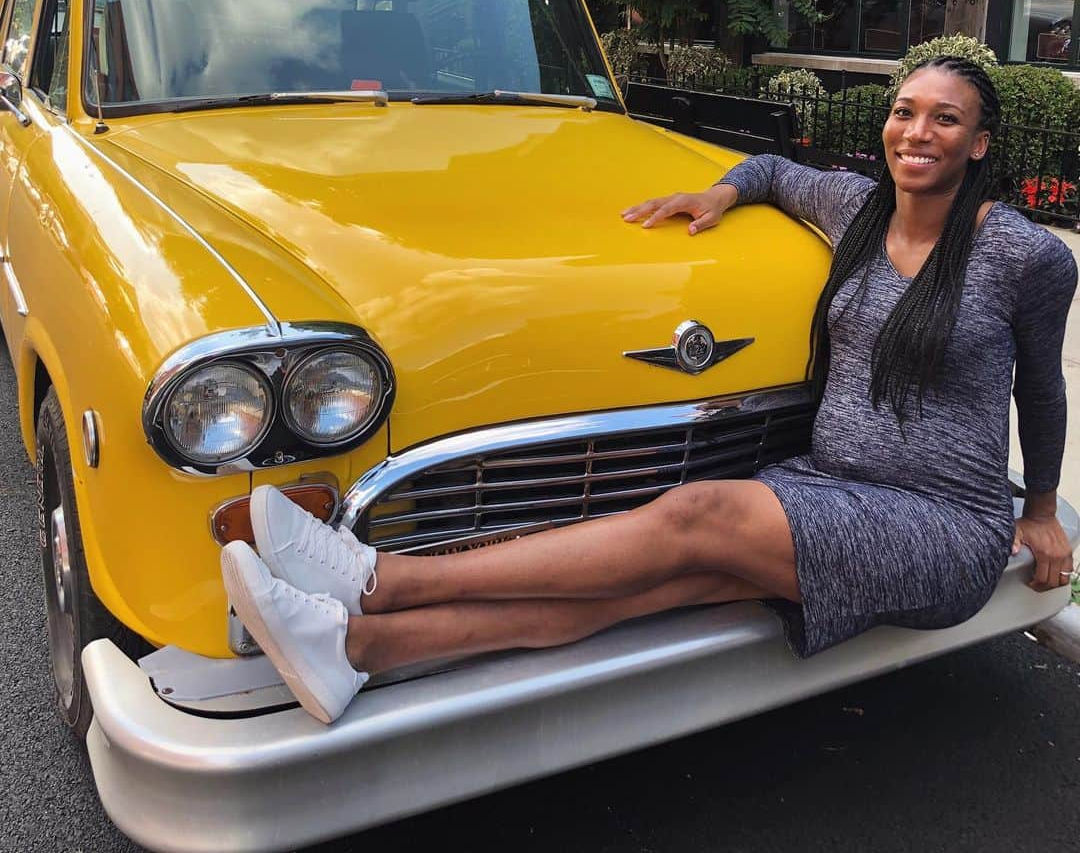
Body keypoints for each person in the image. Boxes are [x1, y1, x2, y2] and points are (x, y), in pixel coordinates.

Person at [221, 56, 1077, 725]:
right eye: (904, 111)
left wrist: (1038, 509)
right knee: (632, 590)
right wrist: (720, 191)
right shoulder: (856, 207)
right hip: (827, 486)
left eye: (944, 119)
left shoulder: (1024, 256)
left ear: (979, 144)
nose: (916, 132)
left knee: (694, 515)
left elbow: (1043, 393)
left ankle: (380, 580)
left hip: (939, 520)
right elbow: (776, 169)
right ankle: (361, 650)